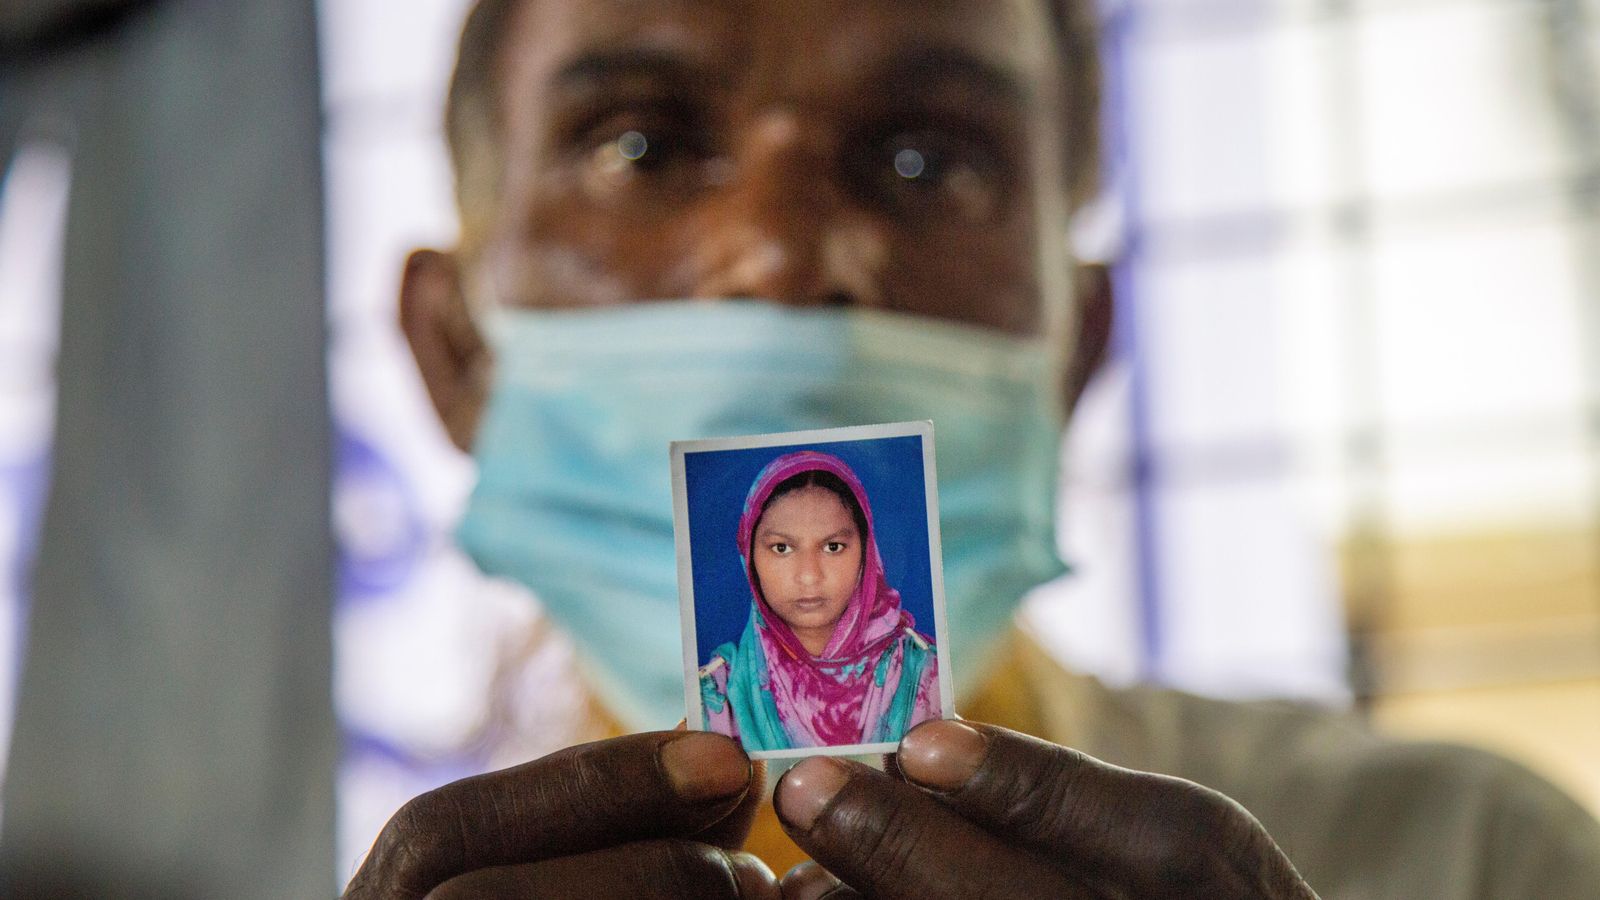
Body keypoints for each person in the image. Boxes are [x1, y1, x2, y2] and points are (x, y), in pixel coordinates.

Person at [343, 0, 1600, 896]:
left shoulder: (1463, 860)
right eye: (641, 146)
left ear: (1076, 351)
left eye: (924, 158)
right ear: (455, 350)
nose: (782, 259)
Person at [700, 451, 940, 751]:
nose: (809, 576)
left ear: (867, 553)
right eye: (782, 548)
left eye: (833, 546)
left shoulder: (926, 674)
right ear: (749, 557)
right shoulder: (717, 694)